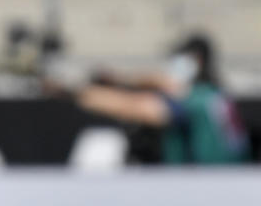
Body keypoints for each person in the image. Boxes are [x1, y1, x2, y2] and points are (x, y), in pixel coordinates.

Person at [55, 34, 250, 164]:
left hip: (206, 188)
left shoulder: (194, 101)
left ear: (196, 60)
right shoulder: (216, 95)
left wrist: (75, 93)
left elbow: (137, 107)